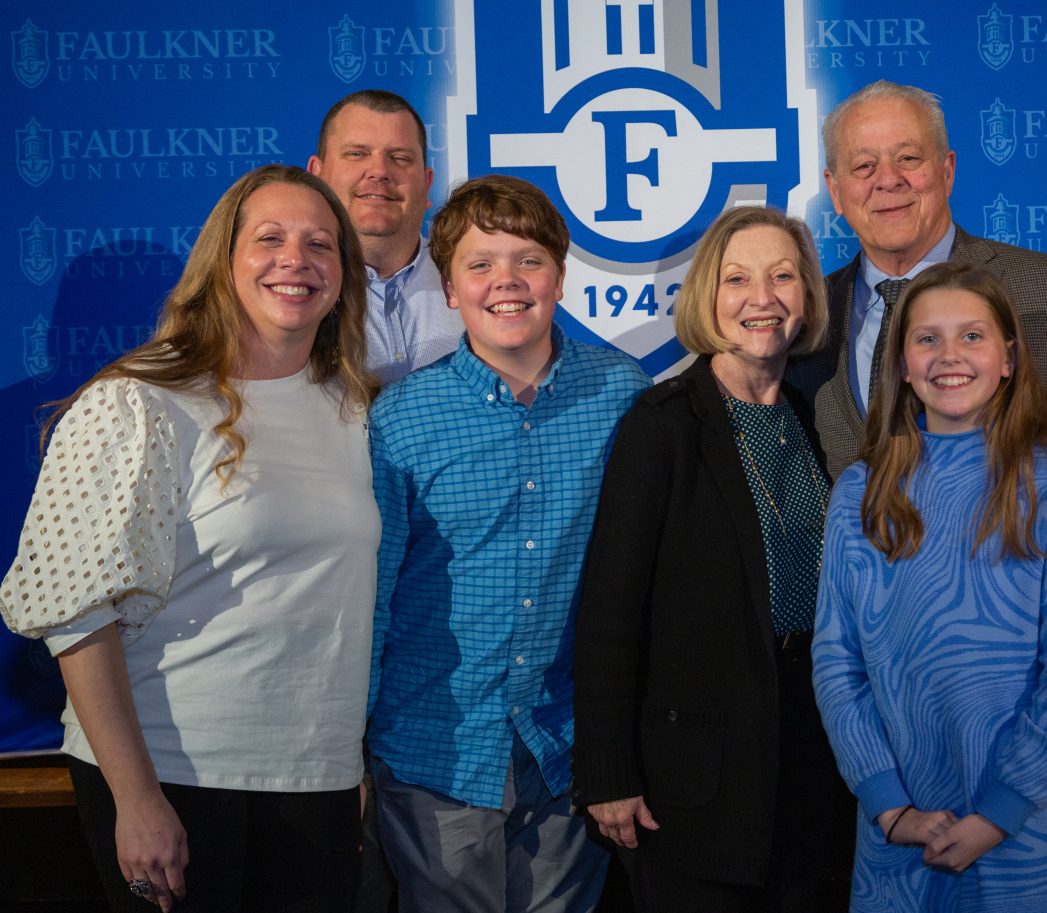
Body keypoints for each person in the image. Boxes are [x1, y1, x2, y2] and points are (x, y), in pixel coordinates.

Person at [0, 165, 380, 912]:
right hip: (174, 777)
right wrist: (135, 799)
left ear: (344, 272)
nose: (295, 260)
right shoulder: (138, 403)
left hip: (317, 785)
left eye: (320, 244)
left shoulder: (353, 408)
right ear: (221, 261)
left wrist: (345, 767)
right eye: (269, 238)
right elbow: (76, 616)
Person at [788, 79, 1047, 717]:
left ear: (947, 169)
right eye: (863, 166)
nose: (887, 180)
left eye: (908, 157)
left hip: (1028, 680)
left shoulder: (1045, 292)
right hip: (873, 687)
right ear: (836, 190)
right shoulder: (805, 319)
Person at [368, 174, 649, 913]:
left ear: (561, 275)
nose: (507, 282)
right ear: (450, 289)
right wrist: (349, 750)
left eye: (528, 260)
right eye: (481, 264)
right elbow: (371, 597)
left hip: (567, 752)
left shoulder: (625, 395)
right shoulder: (400, 418)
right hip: (435, 749)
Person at [573, 206, 850, 911]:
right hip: (691, 782)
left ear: (809, 297)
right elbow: (610, 611)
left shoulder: (807, 418)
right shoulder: (661, 426)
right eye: (738, 278)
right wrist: (608, 771)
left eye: (783, 275)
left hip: (808, 756)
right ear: (707, 297)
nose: (763, 297)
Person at [811, 261, 1047, 911]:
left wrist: (998, 814)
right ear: (902, 365)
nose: (950, 355)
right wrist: (891, 807)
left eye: (971, 335)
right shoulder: (860, 492)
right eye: (927, 338)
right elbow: (839, 665)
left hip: (1028, 833)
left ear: (1008, 357)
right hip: (901, 834)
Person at [309, 89, 462, 384]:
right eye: (356, 154)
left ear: (427, 183)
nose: (379, 171)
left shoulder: (479, 286)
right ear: (317, 175)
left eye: (400, 158)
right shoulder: (286, 290)